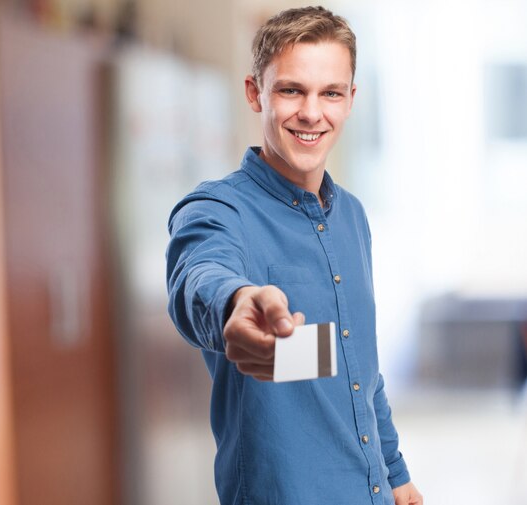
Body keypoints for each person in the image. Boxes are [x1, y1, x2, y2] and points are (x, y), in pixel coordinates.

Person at [166, 5, 423, 505]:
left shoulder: (351, 216)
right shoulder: (217, 209)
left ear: (351, 99)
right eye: (290, 90)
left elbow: (359, 370)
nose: (311, 112)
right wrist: (235, 302)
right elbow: (198, 273)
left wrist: (394, 473)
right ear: (254, 93)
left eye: (330, 92)